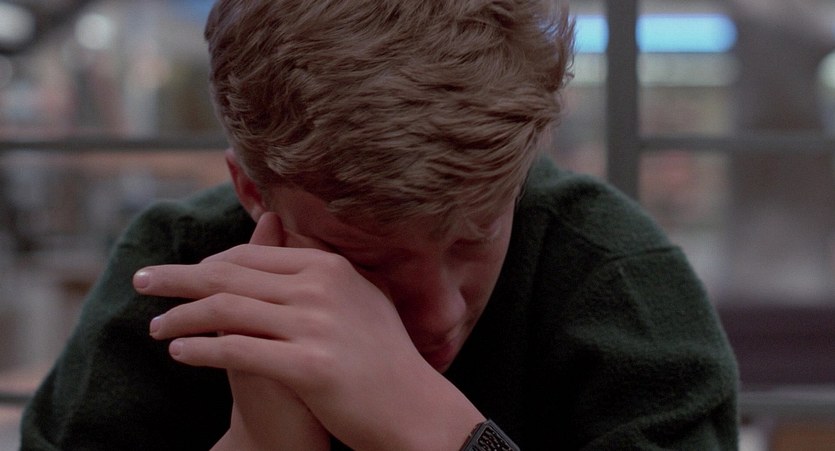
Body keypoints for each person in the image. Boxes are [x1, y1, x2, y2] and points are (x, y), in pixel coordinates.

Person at [20, 0, 739, 449]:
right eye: (368, 262)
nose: (441, 313)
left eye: (475, 236)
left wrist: (442, 435)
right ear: (253, 193)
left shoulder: (618, 283)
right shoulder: (175, 278)